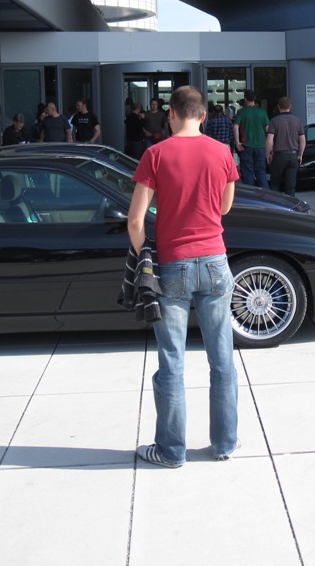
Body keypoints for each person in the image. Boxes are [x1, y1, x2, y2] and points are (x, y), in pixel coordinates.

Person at [128, 85, 240, 469]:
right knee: (222, 359)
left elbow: (135, 221)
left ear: (171, 114)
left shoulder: (155, 154)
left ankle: (171, 451)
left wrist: (145, 255)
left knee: (172, 361)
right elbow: (224, 207)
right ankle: (224, 443)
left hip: (173, 264)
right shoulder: (221, 152)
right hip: (215, 261)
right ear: (203, 115)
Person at [265, 96, 305, 195]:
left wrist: (268, 154)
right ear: (290, 106)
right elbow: (302, 140)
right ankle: (290, 204)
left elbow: (269, 141)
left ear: (278, 107)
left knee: (275, 184)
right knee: (290, 186)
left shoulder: (274, 121)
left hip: (279, 156)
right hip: (293, 155)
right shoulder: (297, 120)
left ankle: (275, 204)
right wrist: (300, 154)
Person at [233, 89, 270, 188]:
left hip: (247, 146)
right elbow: (268, 129)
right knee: (261, 171)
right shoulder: (262, 112)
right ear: (255, 98)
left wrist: (238, 143)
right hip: (261, 146)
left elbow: (235, 127)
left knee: (248, 172)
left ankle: (251, 193)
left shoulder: (241, 112)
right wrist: (269, 145)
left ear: (245, 98)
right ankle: (266, 193)